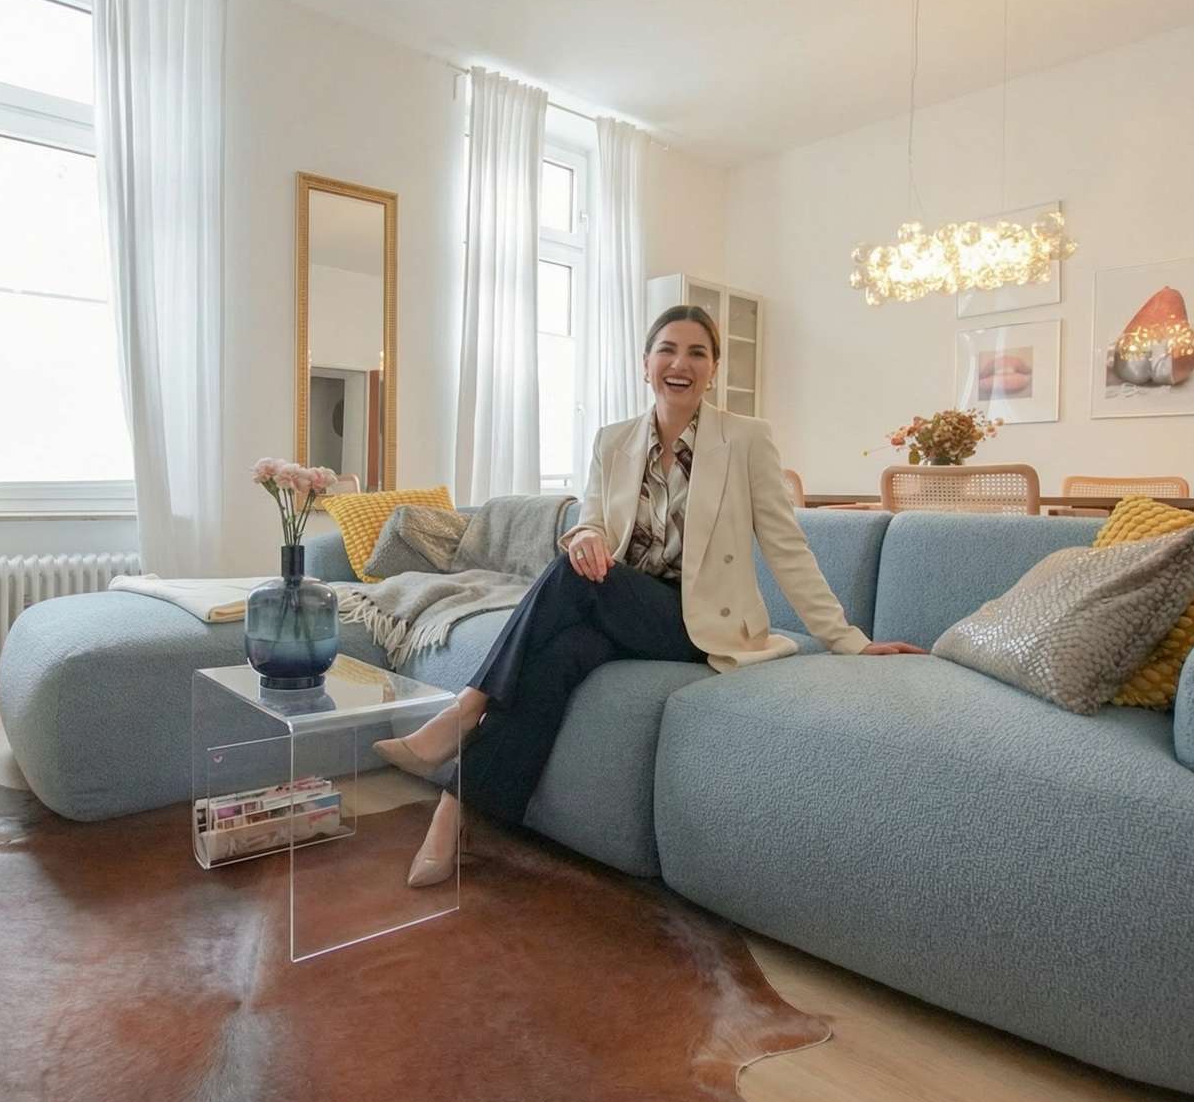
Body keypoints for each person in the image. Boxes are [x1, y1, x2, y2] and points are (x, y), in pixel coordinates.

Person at [374, 304, 924, 886]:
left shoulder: (745, 439)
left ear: (713, 369)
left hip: (696, 621)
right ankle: (457, 813)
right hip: (624, 607)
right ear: (645, 364)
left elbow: (787, 548)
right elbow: (591, 521)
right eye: (667, 350)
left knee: (571, 578)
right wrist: (586, 536)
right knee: (556, 658)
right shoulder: (613, 441)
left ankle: (464, 709)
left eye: (697, 353)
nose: (680, 363)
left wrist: (847, 639)